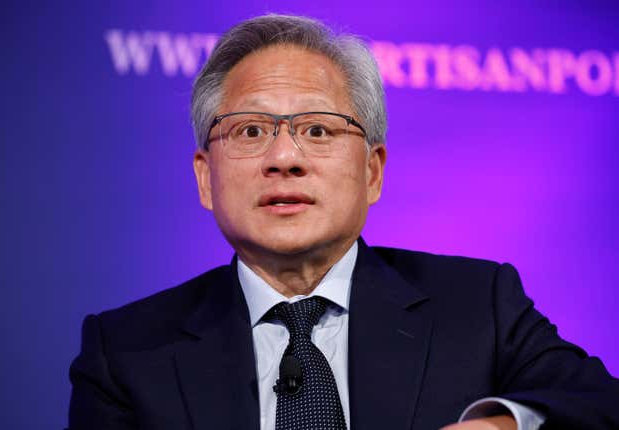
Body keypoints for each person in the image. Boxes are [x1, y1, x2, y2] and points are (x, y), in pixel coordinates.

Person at [68, 14, 619, 430]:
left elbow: (599, 405)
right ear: (206, 179)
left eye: (318, 129)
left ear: (372, 172)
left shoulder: (480, 306)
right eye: (251, 130)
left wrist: (506, 425)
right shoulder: (125, 352)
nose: (284, 157)